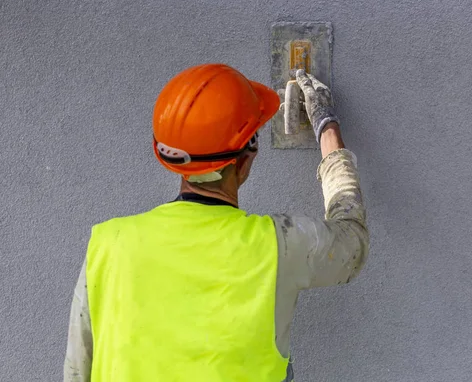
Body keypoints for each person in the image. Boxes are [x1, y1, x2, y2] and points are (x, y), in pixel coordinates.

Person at [64, 64, 369, 382]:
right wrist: (326, 126)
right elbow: (352, 243)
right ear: (248, 157)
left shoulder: (109, 243)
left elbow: (76, 370)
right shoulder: (278, 246)